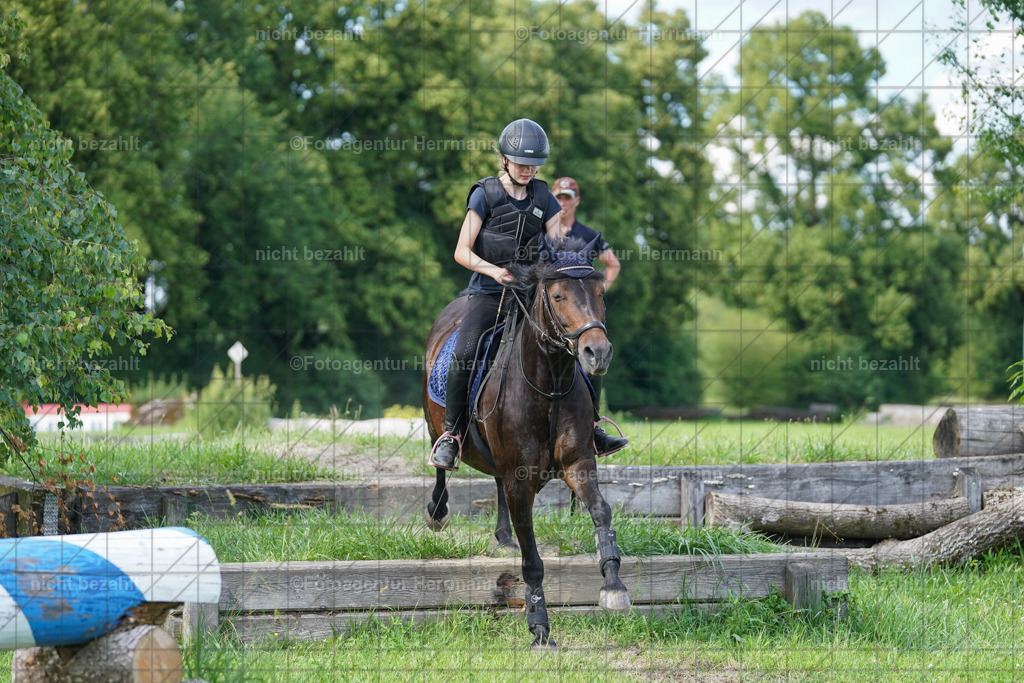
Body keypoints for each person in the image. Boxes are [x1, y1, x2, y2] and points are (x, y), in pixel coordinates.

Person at [429, 119, 623, 470]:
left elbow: (555, 247)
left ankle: (592, 428)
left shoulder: (544, 197)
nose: (527, 170)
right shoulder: (484, 194)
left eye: (534, 164)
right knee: (465, 353)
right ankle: (452, 436)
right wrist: (494, 271)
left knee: (577, 344)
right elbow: (461, 251)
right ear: (505, 159)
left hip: (533, 296)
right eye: (521, 163)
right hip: (489, 293)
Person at [552, 177, 628, 456]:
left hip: (578, 315)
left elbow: (613, 263)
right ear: (552, 199)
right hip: (548, 312)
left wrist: (598, 291)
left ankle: (594, 427)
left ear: (577, 201)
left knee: (595, 355)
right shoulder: (542, 231)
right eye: (558, 197)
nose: (563, 202)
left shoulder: (586, 234)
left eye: (567, 197)